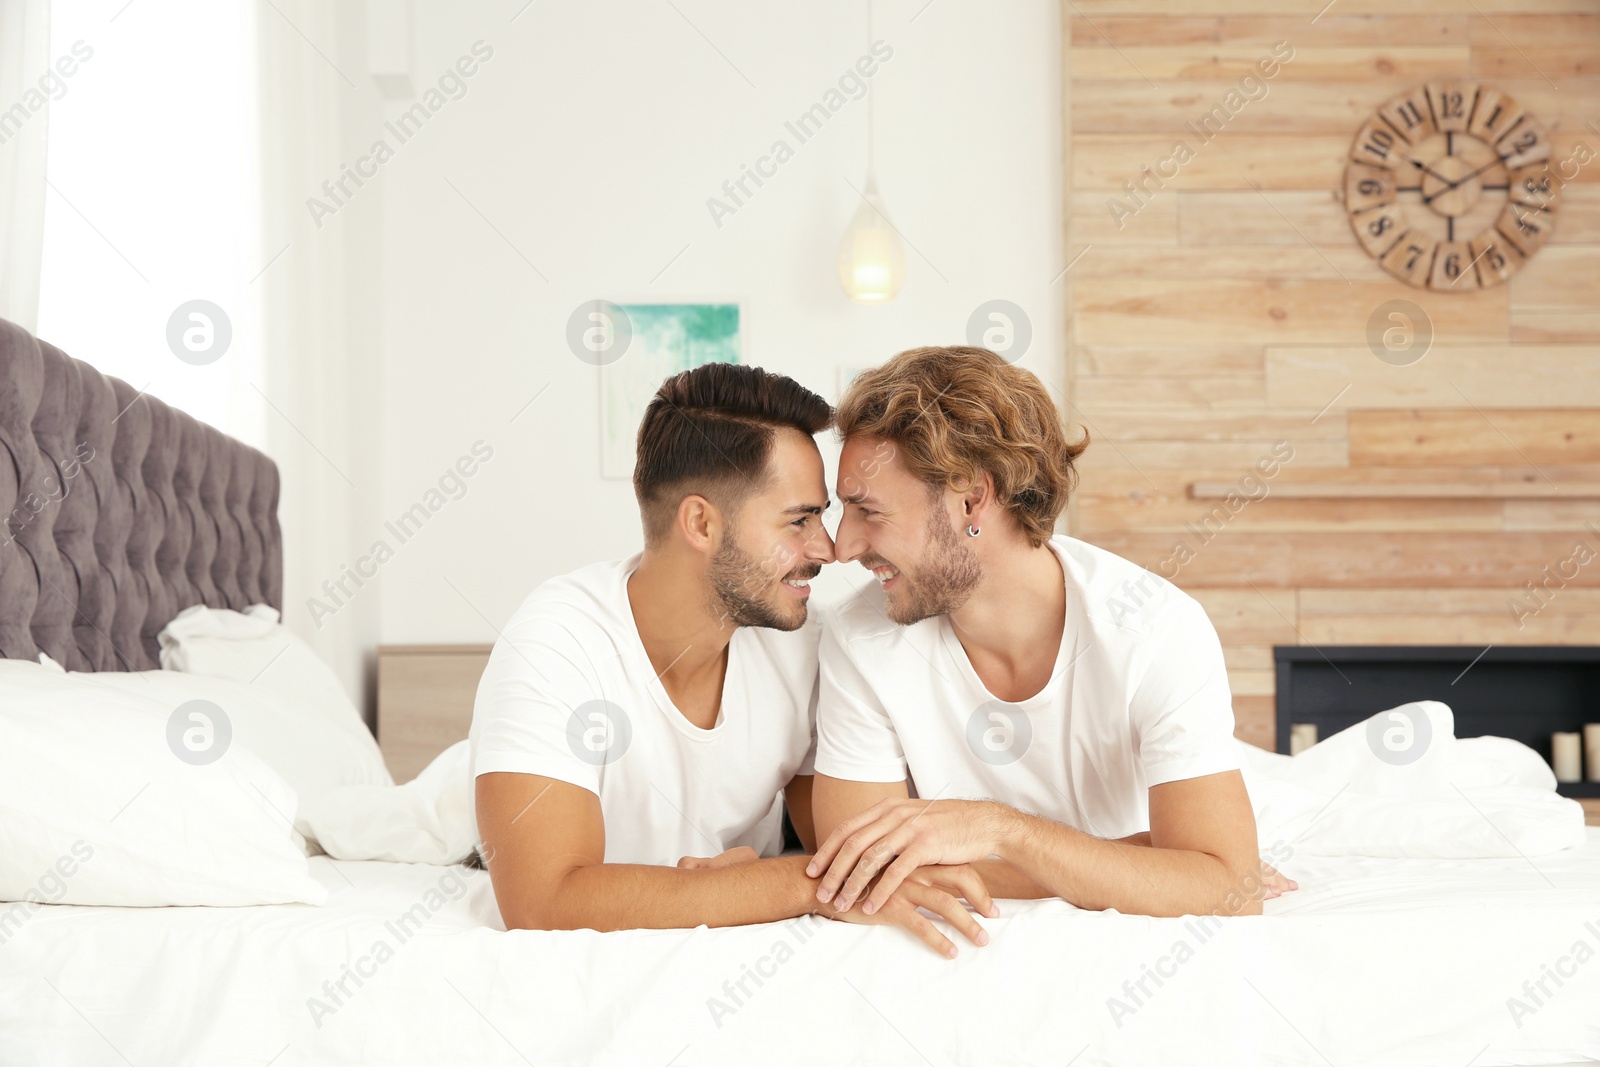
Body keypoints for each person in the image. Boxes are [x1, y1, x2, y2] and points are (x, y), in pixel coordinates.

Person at [472, 362, 993, 955]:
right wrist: (780, 883)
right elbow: (543, 905)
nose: (828, 548)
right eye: (799, 520)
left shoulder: (802, 642)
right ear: (700, 523)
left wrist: (760, 881)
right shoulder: (556, 643)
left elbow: (852, 853)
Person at [808, 345, 1296, 926]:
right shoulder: (859, 635)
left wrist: (997, 828)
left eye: (869, 511)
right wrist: (1136, 859)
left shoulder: (1153, 630)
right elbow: (856, 876)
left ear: (972, 498)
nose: (843, 547)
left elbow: (1224, 887)